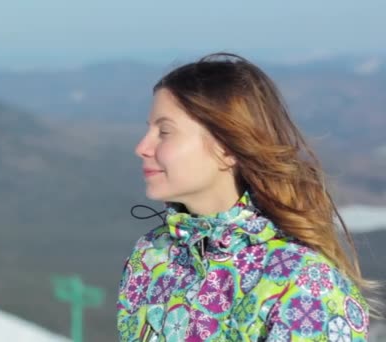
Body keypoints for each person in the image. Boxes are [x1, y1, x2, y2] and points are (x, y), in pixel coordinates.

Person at [117, 52, 376, 341]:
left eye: (164, 131)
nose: (142, 147)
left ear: (226, 148)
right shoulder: (153, 255)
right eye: (148, 129)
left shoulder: (301, 283)